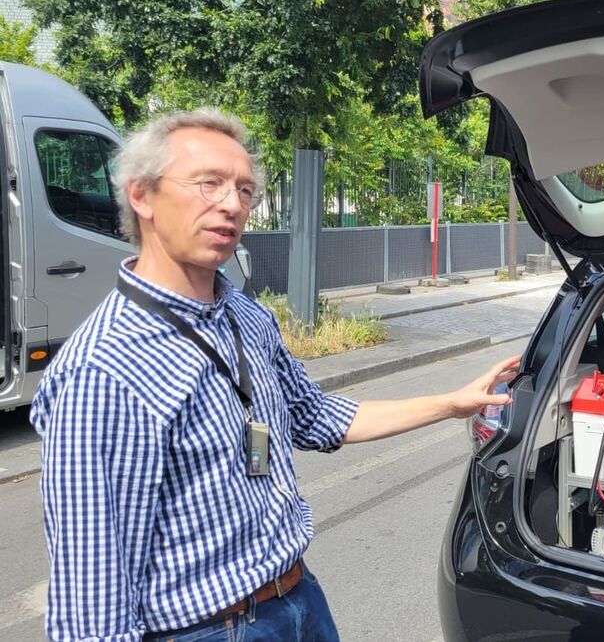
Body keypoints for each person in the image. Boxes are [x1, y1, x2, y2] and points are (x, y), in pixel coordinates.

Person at [30, 108, 519, 642]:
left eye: (244, 190)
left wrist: (456, 401)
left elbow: (318, 418)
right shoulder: (104, 368)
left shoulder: (245, 316)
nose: (230, 204)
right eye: (208, 183)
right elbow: (90, 597)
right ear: (141, 196)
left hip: (298, 600)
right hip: (206, 630)